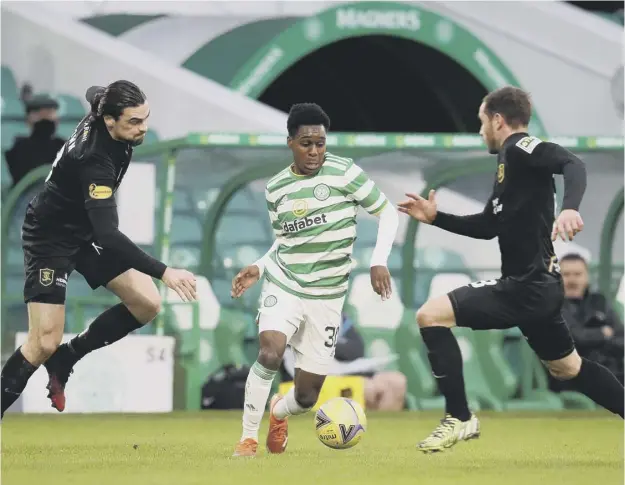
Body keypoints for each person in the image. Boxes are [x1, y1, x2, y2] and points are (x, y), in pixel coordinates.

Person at [398, 86, 625, 453]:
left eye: (481, 122)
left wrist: (570, 207)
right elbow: (489, 225)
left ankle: (459, 417)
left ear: (498, 120)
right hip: (538, 288)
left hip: (526, 286)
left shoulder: (520, 148)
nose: (480, 130)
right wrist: (436, 217)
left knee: (430, 315)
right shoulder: (509, 164)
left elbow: (572, 164)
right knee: (568, 368)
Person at [0, 81, 197, 419]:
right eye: (134, 122)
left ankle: (67, 358)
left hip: (84, 230)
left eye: (145, 118)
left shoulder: (102, 106)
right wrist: (165, 271)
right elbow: (108, 235)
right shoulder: (95, 162)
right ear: (109, 121)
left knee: (146, 304)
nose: (143, 127)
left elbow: (93, 90)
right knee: (43, 340)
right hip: (51, 237)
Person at [229, 103, 399, 457]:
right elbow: (286, 242)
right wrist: (261, 268)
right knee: (270, 351)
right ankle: (247, 438)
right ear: (290, 142)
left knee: (306, 396)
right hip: (286, 284)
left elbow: (386, 211)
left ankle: (278, 411)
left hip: (327, 297)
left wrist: (378, 260)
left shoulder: (345, 172)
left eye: (320, 143)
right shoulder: (276, 189)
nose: (315, 151)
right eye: (306, 143)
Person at [280, 313, 407, 411]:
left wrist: (328, 344)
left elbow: (356, 349)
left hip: (345, 370)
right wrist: (332, 344)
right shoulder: (296, 312)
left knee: (397, 381)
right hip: (312, 377)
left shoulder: (339, 315)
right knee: (373, 389)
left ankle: (379, 432)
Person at [558, 253, 624, 385]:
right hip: (572, 379)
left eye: (577, 274)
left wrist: (594, 340)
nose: (572, 280)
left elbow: (622, 338)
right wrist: (602, 333)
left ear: (586, 277)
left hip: (612, 372)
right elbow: (574, 338)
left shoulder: (600, 302)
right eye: (566, 274)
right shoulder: (552, 306)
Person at [4, 94, 66, 187]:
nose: (45, 118)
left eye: (49, 114)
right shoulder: (19, 148)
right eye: (40, 115)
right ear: (28, 120)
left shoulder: (64, 147)